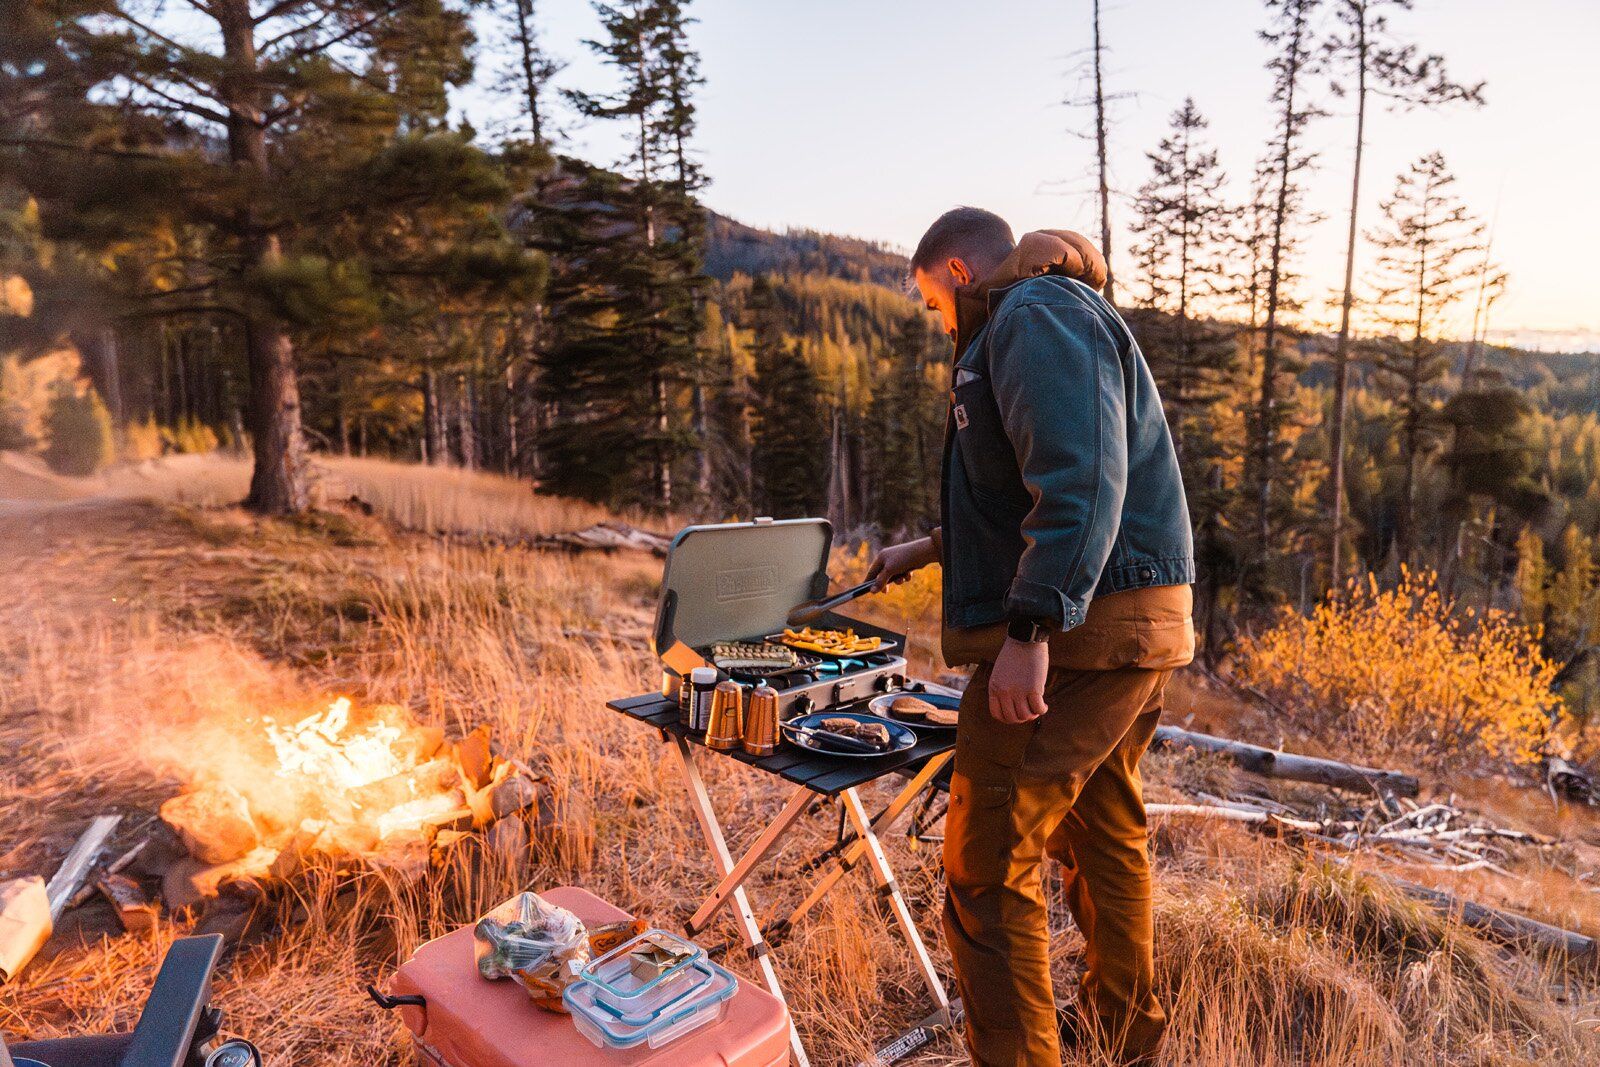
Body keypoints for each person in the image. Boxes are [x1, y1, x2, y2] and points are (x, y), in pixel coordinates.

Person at [868, 207, 1196, 1066]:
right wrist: (932, 547)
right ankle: (1122, 1035)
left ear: (959, 275)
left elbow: (1083, 474)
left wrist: (1031, 624)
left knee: (986, 861)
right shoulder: (1046, 312)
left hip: (1083, 630)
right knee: (1101, 829)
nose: (937, 319)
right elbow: (1034, 485)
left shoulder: (1032, 314)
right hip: (1131, 620)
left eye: (932, 300)